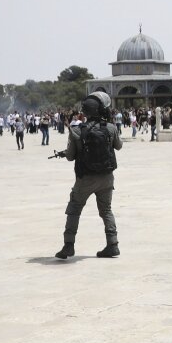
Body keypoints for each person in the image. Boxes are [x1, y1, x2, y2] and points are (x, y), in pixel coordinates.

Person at [54, 92, 124, 260]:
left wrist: (67, 152)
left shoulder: (76, 130)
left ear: (85, 111)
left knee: (74, 209)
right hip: (106, 177)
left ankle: (68, 245)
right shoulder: (111, 128)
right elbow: (119, 146)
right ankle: (112, 244)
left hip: (85, 178)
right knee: (106, 210)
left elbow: (71, 156)